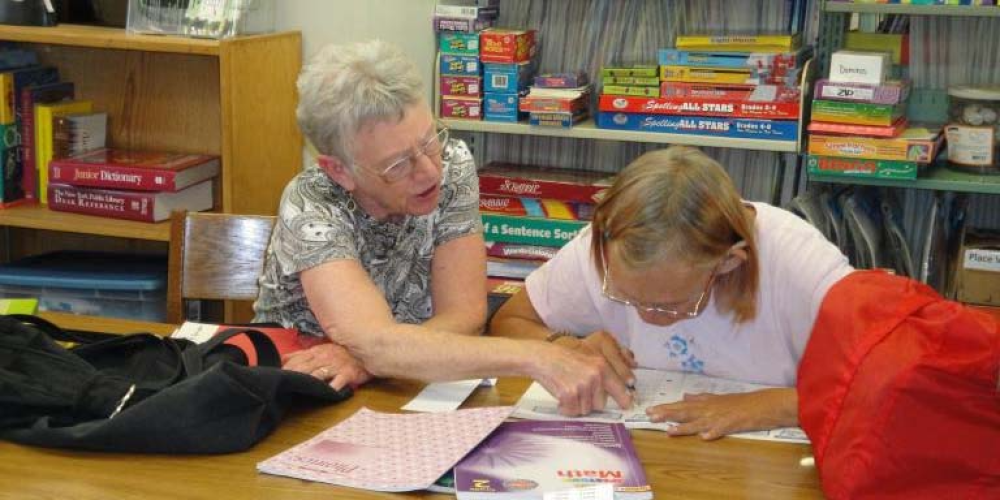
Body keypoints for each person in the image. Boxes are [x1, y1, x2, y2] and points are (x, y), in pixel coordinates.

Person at [252, 39, 632, 416]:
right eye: (397, 165)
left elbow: (465, 316)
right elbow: (377, 344)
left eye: (430, 138)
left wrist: (370, 358)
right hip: (305, 394)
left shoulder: (451, 163)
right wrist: (538, 356)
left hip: (408, 385)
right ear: (339, 171)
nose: (429, 171)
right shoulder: (312, 201)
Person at [490, 146, 854, 440]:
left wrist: (774, 406)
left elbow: (879, 389)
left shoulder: (802, 263)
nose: (647, 318)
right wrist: (561, 348)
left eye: (671, 305)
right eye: (626, 296)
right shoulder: (602, 245)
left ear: (728, 262)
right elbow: (510, 321)